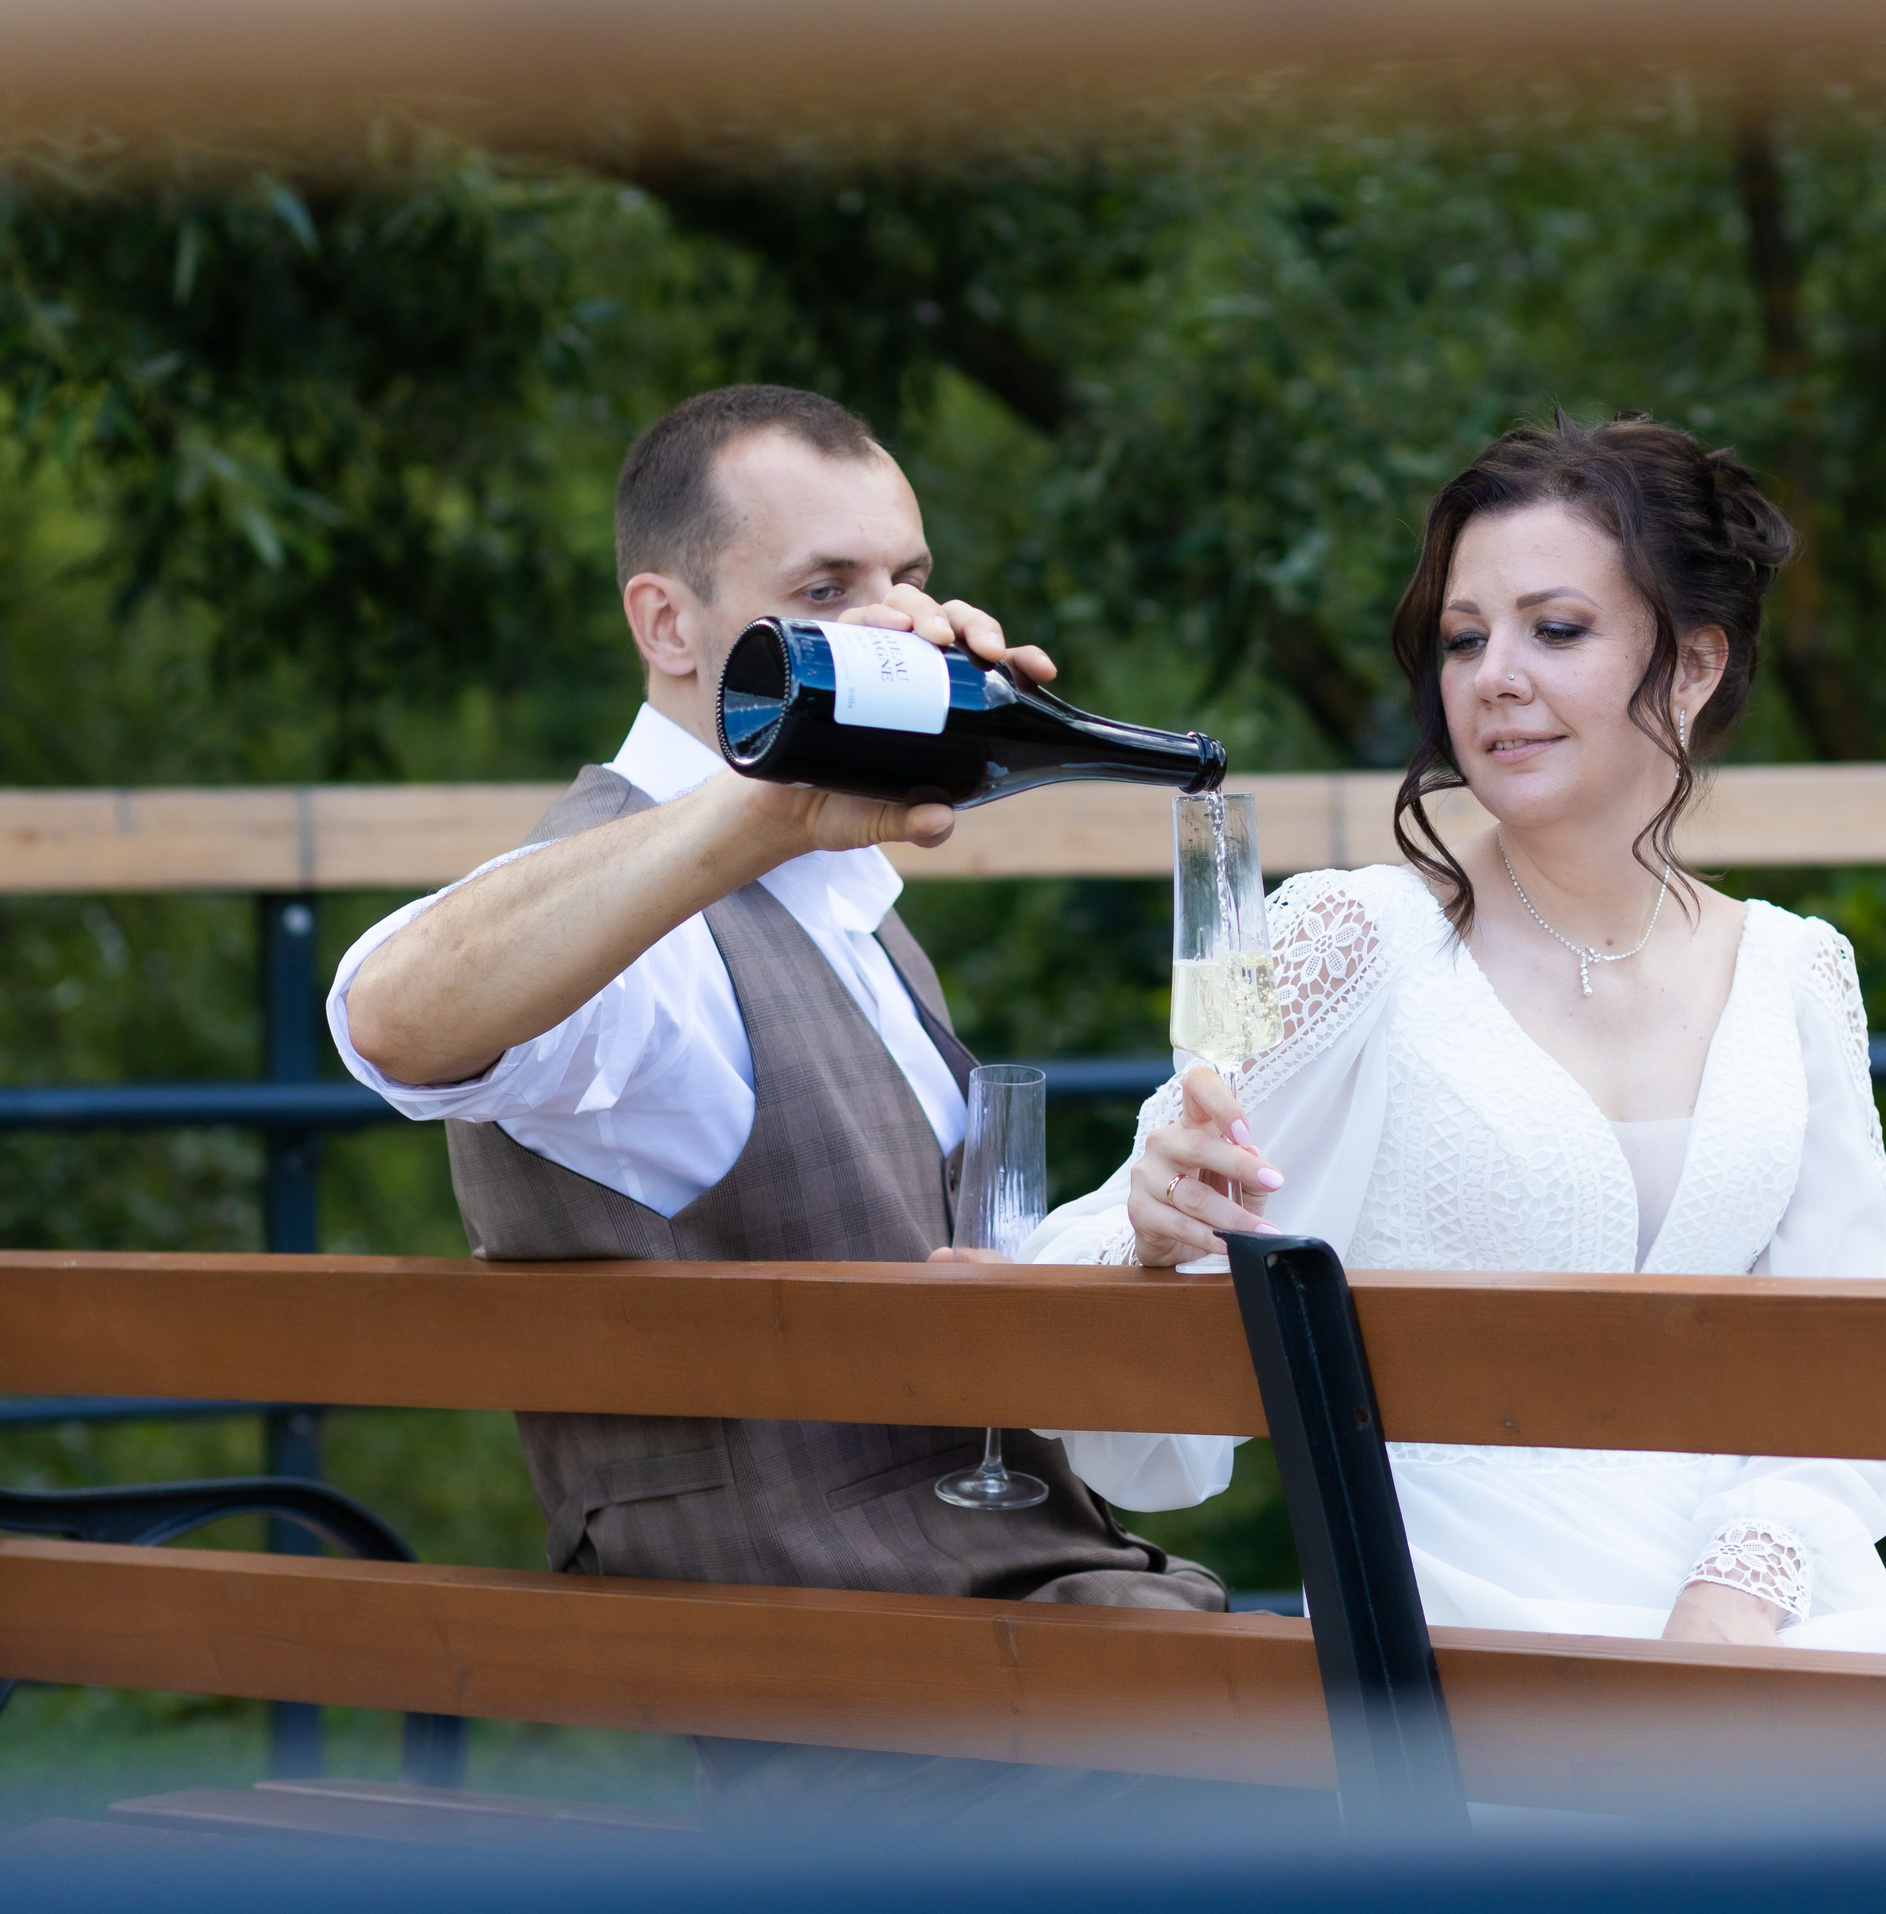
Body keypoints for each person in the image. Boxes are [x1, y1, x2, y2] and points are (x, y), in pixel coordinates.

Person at [1030, 414, 1886, 1672]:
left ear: (1691, 666)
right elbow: (1131, 1241)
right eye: (1464, 638)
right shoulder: (1353, 937)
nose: (1494, 674)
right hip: (1473, 1615)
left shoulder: (1795, 972)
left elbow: (1836, 1379)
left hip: (1753, 1608)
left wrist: (1727, 1610)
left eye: (1554, 630)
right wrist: (1152, 1221)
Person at [329, 384, 1241, 1823]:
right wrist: (769, 799)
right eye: (828, 590)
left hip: (1008, 1643)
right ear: (670, 625)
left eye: (909, 580)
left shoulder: (844, 893)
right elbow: (390, 1013)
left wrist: (1127, 1231)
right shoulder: (645, 918)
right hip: (873, 1695)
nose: (897, 625)